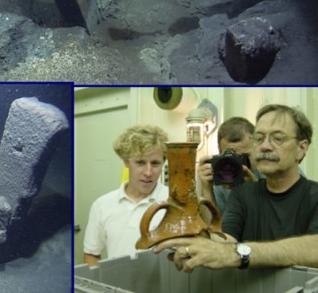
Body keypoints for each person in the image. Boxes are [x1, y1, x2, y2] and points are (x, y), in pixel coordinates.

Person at [154, 104, 318, 272]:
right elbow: (225, 241)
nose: (265, 146)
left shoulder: (314, 196)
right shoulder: (243, 193)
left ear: (301, 148)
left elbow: (314, 249)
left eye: (278, 138)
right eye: (259, 138)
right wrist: (194, 239)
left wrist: (237, 253)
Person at [83, 125, 169, 266]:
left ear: (163, 164)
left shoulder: (175, 201)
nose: (148, 172)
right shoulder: (102, 205)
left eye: (155, 163)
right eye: (140, 162)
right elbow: (91, 254)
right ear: (126, 161)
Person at [198, 117, 257, 214]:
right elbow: (210, 225)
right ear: (220, 151)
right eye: (233, 158)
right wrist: (206, 189)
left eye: (244, 157)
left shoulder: (268, 175)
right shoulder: (218, 175)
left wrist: (256, 191)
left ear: (256, 149)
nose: (239, 165)